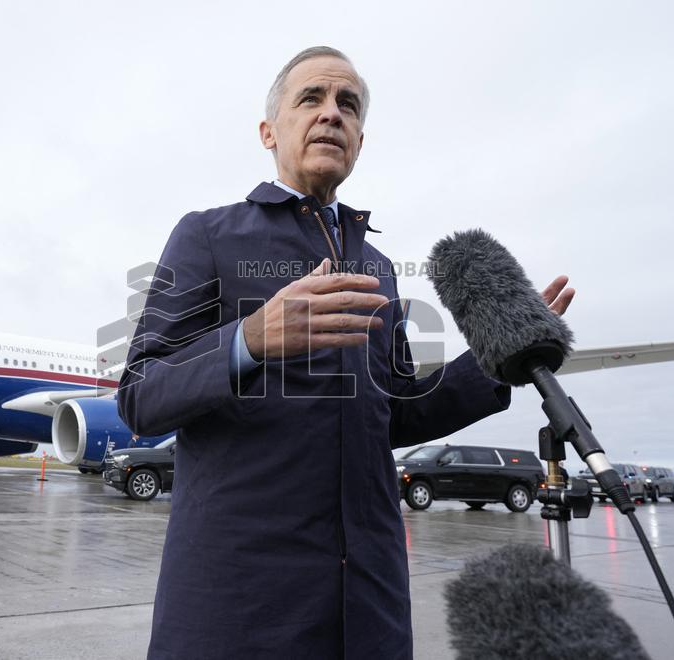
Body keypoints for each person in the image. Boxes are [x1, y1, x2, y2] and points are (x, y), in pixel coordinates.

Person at [117, 47, 574, 659]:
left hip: (368, 605)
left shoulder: (378, 268)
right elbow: (141, 395)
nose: (332, 113)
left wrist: (497, 356)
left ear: (360, 139)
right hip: (239, 608)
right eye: (311, 98)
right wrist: (253, 338)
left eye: (348, 105)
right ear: (268, 131)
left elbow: (398, 412)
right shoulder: (208, 235)